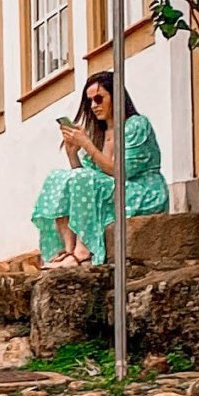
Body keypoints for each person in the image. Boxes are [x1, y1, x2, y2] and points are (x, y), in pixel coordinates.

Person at [34, 70, 166, 266]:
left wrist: (87, 145)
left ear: (115, 96)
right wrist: (72, 153)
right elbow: (84, 177)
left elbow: (122, 172)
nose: (94, 106)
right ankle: (69, 249)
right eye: (90, 101)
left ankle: (83, 251)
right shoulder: (99, 133)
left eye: (99, 98)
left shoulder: (136, 125)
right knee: (57, 177)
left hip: (141, 190)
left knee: (82, 178)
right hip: (112, 190)